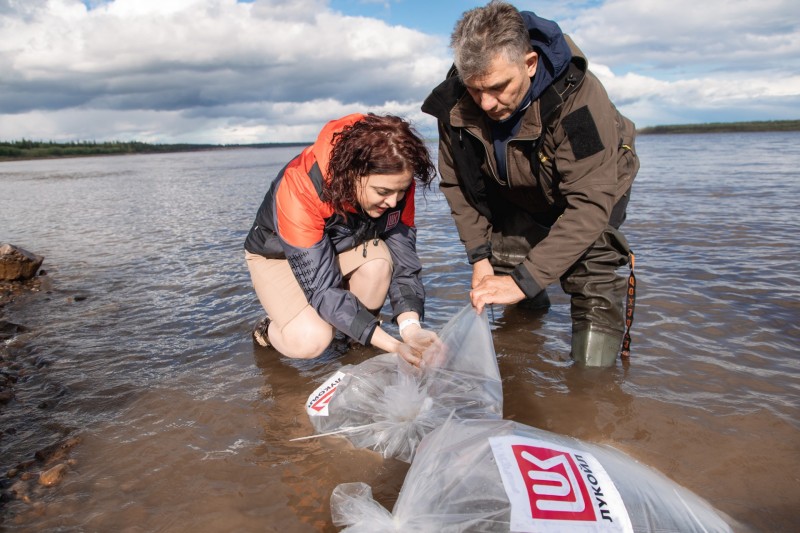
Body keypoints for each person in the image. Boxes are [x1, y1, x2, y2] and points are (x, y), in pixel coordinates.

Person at [421, 1, 639, 366]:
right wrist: (479, 257)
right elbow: (458, 184)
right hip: (513, 183)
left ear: (530, 63)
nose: (487, 103)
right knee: (503, 257)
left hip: (594, 182)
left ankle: (591, 386)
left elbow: (589, 204)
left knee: (592, 265)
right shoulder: (457, 103)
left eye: (498, 87)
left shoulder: (579, 102)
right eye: (475, 90)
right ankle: (522, 348)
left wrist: (525, 281)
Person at [244, 113, 440, 367]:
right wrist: (393, 346)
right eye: (382, 192)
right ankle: (268, 331)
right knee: (312, 339)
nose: (393, 202)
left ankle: (352, 339)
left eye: (401, 191)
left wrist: (411, 330)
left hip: (341, 245)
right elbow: (323, 290)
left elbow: (405, 263)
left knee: (379, 267)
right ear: (352, 174)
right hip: (278, 255)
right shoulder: (300, 185)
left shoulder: (396, 179)